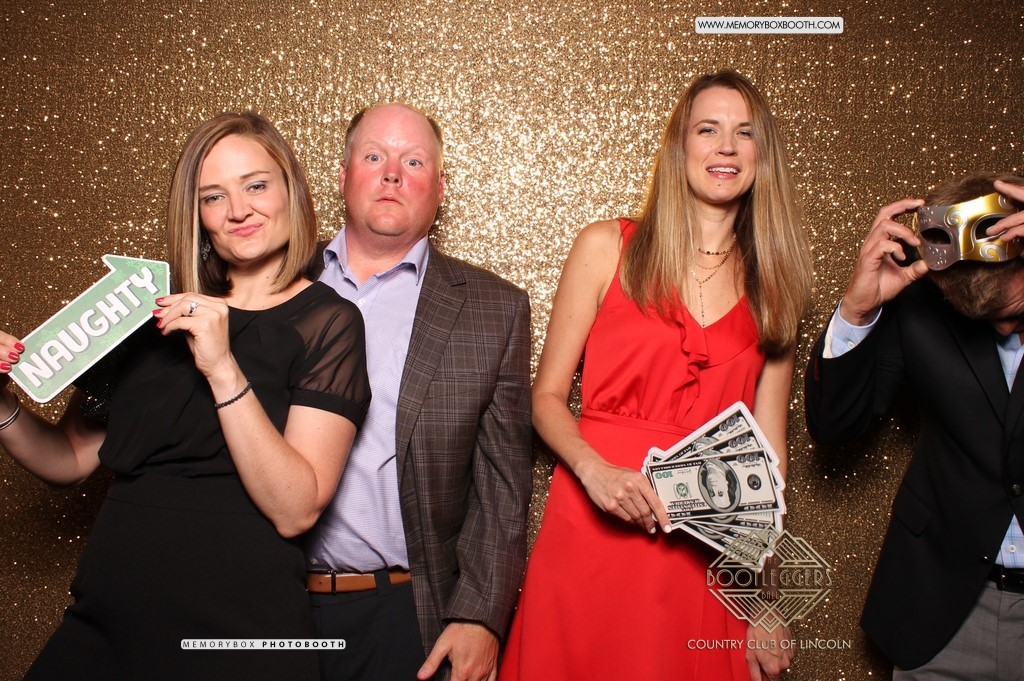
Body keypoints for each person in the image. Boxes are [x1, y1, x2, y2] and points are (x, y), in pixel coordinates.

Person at [0, 111, 370, 680]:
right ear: (196, 215)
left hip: (236, 627)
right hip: (111, 615)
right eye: (213, 197)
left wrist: (222, 366)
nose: (238, 210)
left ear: (291, 190)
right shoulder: (146, 311)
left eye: (256, 186)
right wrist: (1, 402)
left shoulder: (328, 322)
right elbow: (68, 460)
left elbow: (297, 509)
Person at [499, 70, 812, 681]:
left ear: (761, 155)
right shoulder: (606, 247)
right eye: (708, 129)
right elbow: (545, 397)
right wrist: (592, 470)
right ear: (680, 146)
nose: (726, 147)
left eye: (745, 133)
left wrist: (764, 599)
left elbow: (769, 461)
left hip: (704, 558)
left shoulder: (776, 288)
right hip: (590, 528)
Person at [302, 102, 533, 681]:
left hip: (405, 615)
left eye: (413, 161)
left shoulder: (493, 309)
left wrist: (480, 617)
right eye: (374, 156)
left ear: (440, 188)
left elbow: (503, 485)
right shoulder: (277, 281)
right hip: (269, 603)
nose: (391, 174)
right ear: (343, 175)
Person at [804, 172, 1024, 679]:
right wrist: (857, 310)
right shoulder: (919, 304)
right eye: (988, 321)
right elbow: (835, 425)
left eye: (1016, 311)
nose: (1007, 328)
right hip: (944, 613)